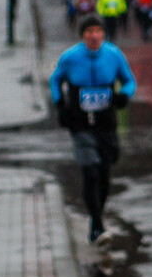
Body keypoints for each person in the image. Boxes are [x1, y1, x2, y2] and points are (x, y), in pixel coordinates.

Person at [49, 15, 137, 246]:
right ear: (83, 35)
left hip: (106, 122)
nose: (94, 36)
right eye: (89, 32)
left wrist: (123, 95)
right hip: (79, 122)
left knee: (105, 174)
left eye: (98, 31)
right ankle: (97, 225)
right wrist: (59, 103)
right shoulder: (70, 57)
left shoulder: (113, 54)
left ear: (103, 34)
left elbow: (129, 81)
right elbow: (55, 80)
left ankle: (96, 219)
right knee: (91, 171)